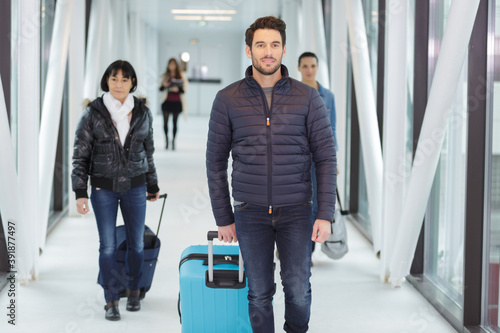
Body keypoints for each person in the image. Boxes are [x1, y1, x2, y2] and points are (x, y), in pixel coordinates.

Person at [206, 16, 337, 333]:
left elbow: (326, 157)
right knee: (259, 293)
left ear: (284, 50)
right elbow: (214, 161)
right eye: (261, 45)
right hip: (250, 212)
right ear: (248, 50)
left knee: (298, 291)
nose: (268, 51)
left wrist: (325, 214)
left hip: (298, 210)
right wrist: (224, 217)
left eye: (274, 45)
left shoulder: (308, 98)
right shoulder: (227, 99)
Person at [72, 60, 160, 321]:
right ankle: (111, 299)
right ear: (106, 82)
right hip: (104, 189)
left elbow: (148, 152)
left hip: (135, 187)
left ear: (132, 82)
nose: (119, 84)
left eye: (124, 79)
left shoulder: (143, 113)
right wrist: (80, 192)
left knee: (136, 245)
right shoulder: (92, 114)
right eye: (114, 79)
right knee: (108, 246)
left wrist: (152, 184)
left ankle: (134, 289)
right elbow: (80, 156)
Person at [297, 51, 340, 255]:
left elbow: (332, 129)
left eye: (312, 66)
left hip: (319, 157)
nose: (309, 70)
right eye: (305, 66)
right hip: (294, 156)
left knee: (314, 202)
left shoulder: (328, 97)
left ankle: (308, 250)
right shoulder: (292, 94)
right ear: (298, 68)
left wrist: (334, 160)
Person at [160, 58, 185, 150]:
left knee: (175, 123)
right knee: (165, 123)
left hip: (176, 102)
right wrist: (165, 85)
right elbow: (161, 89)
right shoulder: (165, 76)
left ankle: (173, 141)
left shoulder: (181, 76)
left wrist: (177, 90)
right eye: (170, 64)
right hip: (166, 101)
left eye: (174, 64)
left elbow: (183, 90)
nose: (172, 66)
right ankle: (166, 140)